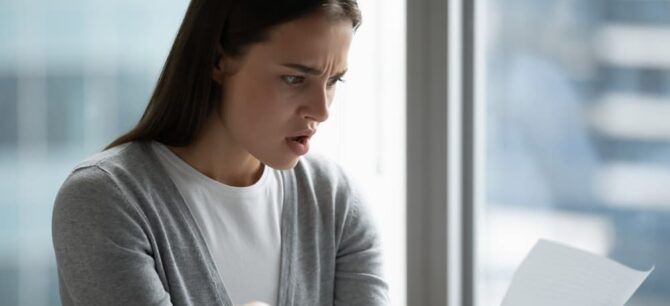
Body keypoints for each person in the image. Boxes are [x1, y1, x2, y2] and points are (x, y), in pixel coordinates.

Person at [51, 1, 389, 305]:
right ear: (218, 60)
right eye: (294, 78)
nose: (321, 110)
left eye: (333, 82)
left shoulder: (335, 201)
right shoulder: (105, 199)